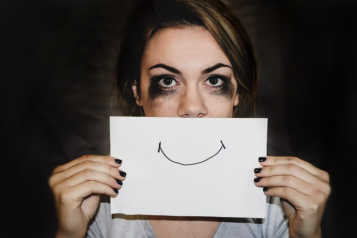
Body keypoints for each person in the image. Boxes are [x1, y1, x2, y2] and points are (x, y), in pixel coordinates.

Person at [49, 0, 331, 237]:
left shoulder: (279, 207)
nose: (192, 106)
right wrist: (69, 234)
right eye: (168, 80)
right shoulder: (97, 207)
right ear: (137, 93)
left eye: (215, 79)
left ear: (237, 94)